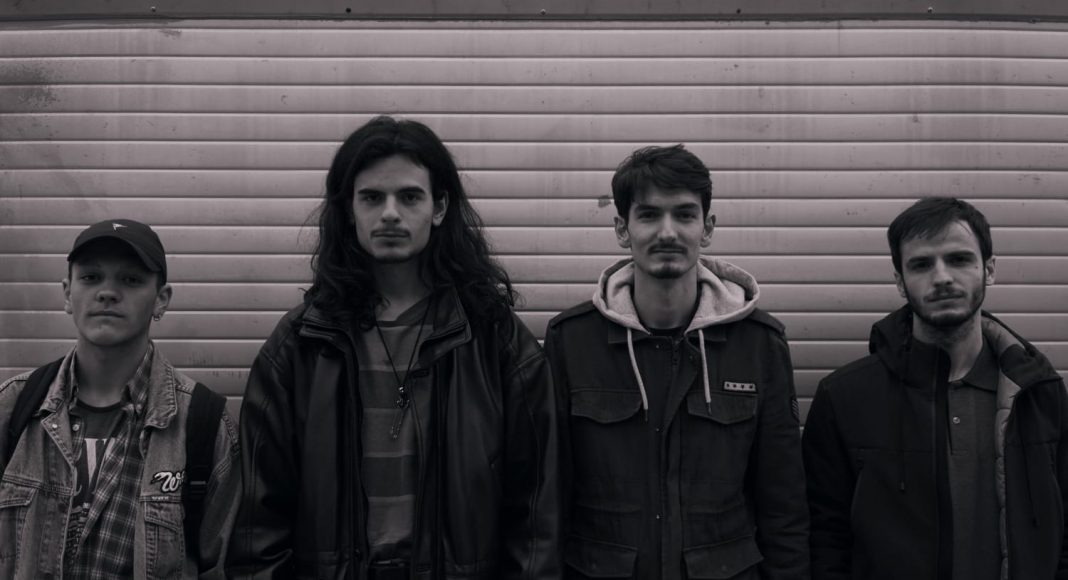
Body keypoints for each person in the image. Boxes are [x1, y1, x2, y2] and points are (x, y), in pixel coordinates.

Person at [228, 116, 560, 580]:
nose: (389, 213)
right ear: (348, 210)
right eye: (371, 197)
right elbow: (257, 521)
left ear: (439, 208)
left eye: (409, 197)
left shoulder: (493, 338)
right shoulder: (301, 344)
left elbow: (536, 506)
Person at [545, 145, 809, 579]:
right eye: (649, 215)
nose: (667, 232)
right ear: (622, 229)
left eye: (684, 215)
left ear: (707, 228)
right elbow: (547, 495)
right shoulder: (572, 341)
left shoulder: (758, 345)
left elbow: (784, 506)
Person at [803, 197, 1068, 580]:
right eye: (921, 264)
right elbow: (825, 538)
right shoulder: (844, 397)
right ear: (900, 281)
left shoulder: (1038, 392)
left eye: (959, 259)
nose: (942, 277)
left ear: (989, 270)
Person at [0, 218, 240, 579]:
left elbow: (224, 567)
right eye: (91, 277)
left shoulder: (204, 425)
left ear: (162, 299)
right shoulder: (14, 406)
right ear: (67, 293)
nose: (108, 292)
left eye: (130, 280)